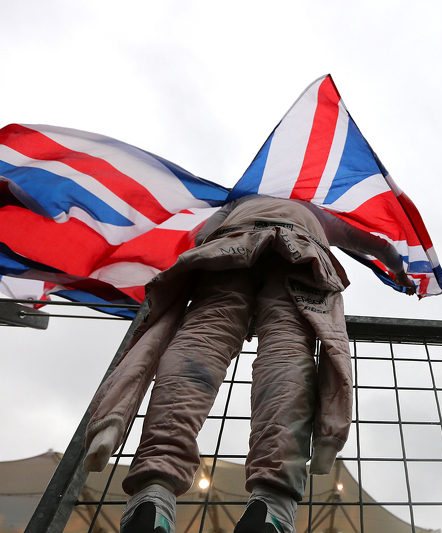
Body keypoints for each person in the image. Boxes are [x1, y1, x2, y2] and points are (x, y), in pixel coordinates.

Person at [82, 195, 415, 533]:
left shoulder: (241, 200)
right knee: (286, 353)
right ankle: (271, 502)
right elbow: (378, 246)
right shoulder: (318, 212)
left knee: (200, 344)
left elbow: (202, 237)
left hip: (230, 249)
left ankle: (154, 490)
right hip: (300, 254)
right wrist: (400, 273)